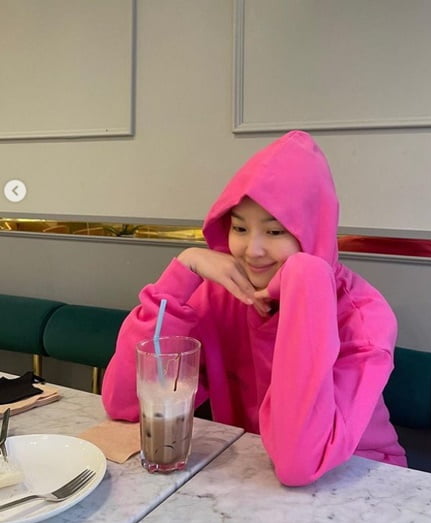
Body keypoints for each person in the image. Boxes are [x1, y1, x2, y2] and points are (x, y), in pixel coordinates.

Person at [102, 130, 406, 486]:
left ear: (314, 232)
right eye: (240, 228)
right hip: (254, 473)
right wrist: (182, 272)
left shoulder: (363, 315)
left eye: (275, 232)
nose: (253, 250)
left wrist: (305, 277)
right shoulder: (222, 296)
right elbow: (126, 405)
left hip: (363, 480)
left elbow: (299, 461)